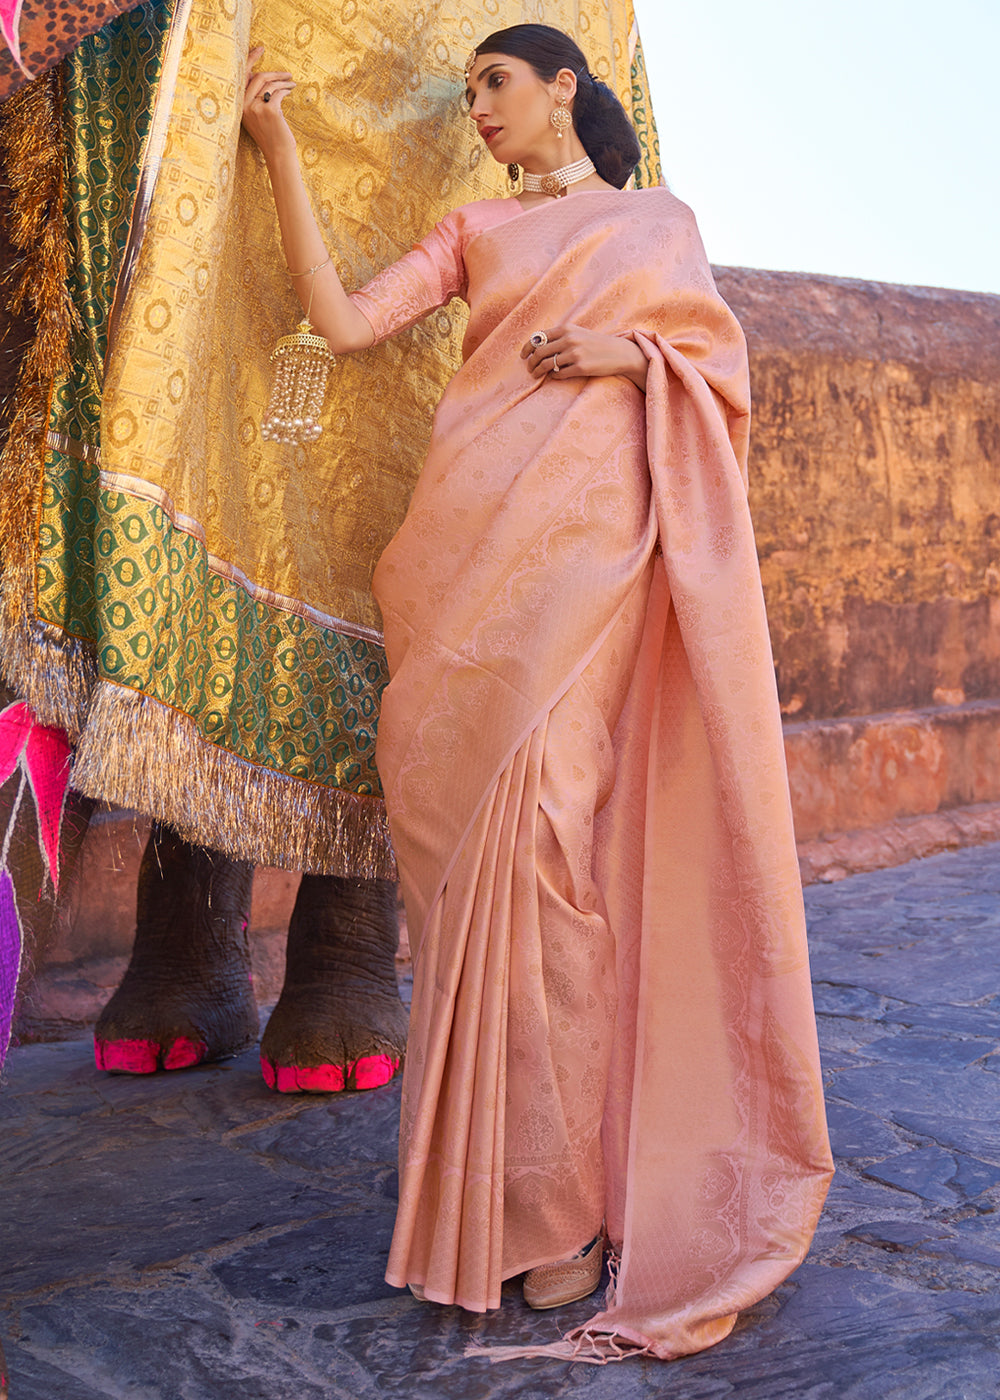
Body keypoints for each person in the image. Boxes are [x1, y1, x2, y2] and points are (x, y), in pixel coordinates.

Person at [241, 23, 833, 1363]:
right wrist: (277, 145)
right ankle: (491, 1211)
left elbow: (718, 373)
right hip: (464, 564)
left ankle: (562, 1212)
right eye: (472, 95)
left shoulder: (660, 223)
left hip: (591, 558)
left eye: (498, 84)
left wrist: (632, 358)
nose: (484, 111)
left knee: (553, 856)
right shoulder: (474, 231)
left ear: (567, 83)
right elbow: (341, 323)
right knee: (468, 894)